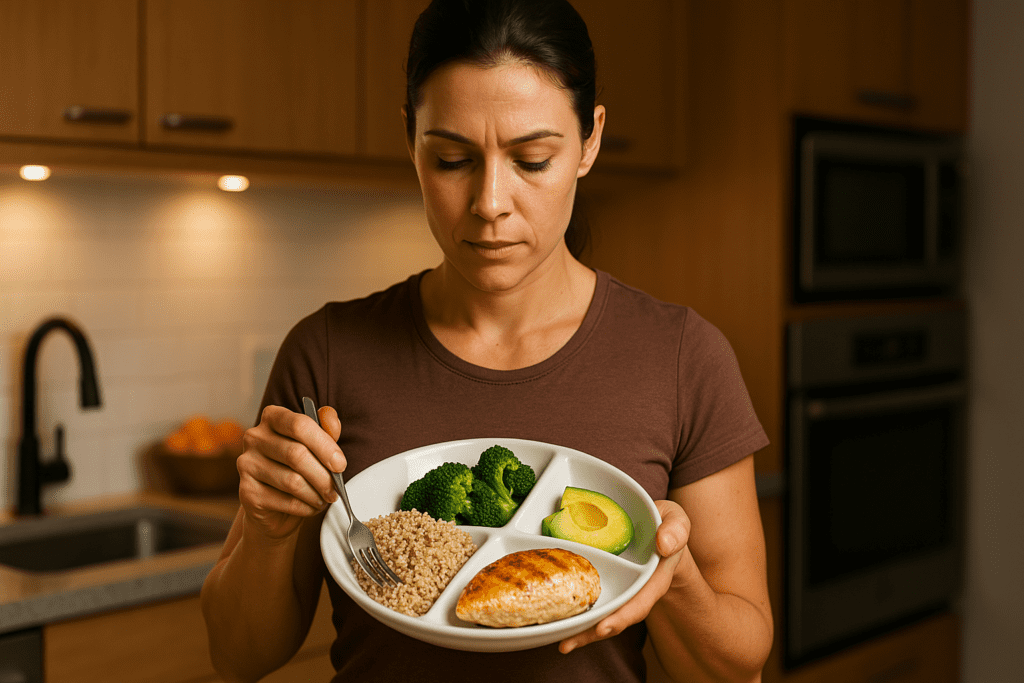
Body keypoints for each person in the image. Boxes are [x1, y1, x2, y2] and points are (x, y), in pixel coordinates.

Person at [200, 1, 773, 681]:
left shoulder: (684, 357)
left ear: (590, 140)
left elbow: (736, 667)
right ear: (409, 140)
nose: (490, 201)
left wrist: (673, 577)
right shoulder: (324, 352)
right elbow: (237, 656)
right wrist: (267, 533)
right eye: (451, 159)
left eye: (532, 159)